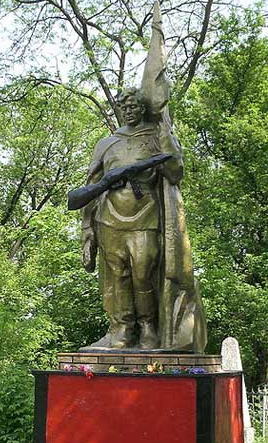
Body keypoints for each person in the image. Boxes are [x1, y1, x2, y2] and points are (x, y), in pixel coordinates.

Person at [82, 87, 205, 350]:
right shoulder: (106, 144)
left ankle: (150, 327)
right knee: (118, 274)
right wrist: (87, 228)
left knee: (143, 272)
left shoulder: (157, 138)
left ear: (143, 108)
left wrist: (165, 134)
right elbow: (91, 184)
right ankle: (122, 330)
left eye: (134, 107)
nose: (129, 112)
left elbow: (175, 172)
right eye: (124, 108)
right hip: (109, 218)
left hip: (146, 213)